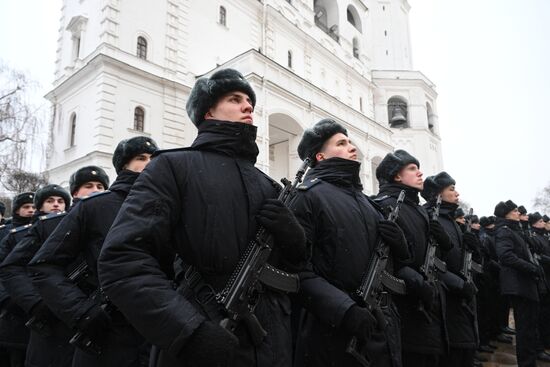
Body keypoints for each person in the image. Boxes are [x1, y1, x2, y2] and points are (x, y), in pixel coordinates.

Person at [97, 68, 306, 367]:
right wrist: (187, 330)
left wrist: (295, 242)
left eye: (250, 101)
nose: (248, 106)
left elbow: (294, 271)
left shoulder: (267, 184)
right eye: (235, 99)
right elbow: (122, 259)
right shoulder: (171, 167)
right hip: (202, 339)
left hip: (272, 346)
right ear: (208, 111)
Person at [289, 119, 410, 367]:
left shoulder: (369, 204)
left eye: (350, 142)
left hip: (381, 328)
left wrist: (401, 248)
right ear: (320, 156)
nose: (352, 147)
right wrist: (344, 310)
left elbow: (387, 265)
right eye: (341, 143)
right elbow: (296, 269)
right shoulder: (307, 197)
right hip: (332, 334)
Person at [28, 137, 157, 367]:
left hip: (157, 333)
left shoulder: (167, 205)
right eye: (141, 158)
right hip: (107, 333)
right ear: (124, 165)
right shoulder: (95, 207)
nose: (150, 163)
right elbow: (44, 266)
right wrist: (82, 311)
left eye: (153, 159)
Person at [0, 167, 109, 367]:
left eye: (100, 186)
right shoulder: (48, 225)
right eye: (88, 186)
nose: (95, 190)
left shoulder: (114, 222)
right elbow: (11, 268)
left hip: (98, 322)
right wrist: (37, 303)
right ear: (75, 192)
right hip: (54, 322)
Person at [375, 150, 452, 367]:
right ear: (397, 176)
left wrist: (446, 244)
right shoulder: (385, 205)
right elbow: (385, 261)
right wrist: (419, 284)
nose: (420, 174)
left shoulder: (418, 210)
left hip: (428, 302)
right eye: (412, 168)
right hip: (404, 306)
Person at [421, 172, 478, 367]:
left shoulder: (452, 221)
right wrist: (459, 284)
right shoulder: (429, 217)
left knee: (465, 350)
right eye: (451, 189)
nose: (457, 194)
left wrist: (473, 247)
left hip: (461, 295)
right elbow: (430, 261)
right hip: (446, 298)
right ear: (437, 193)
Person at [494, 200, 539, 367]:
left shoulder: (515, 230)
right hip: (519, 285)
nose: (518, 213)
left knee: (530, 328)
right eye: (514, 211)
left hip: (525, 284)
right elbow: (505, 256)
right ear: (506, 214)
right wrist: (531, 268)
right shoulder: (504, 231)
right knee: (525, 329)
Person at [0, 192, 36, 367]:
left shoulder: (44, 230)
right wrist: (8, 300)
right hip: (12, 312)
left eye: (33, 207)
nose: (30, 210)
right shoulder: (7, 235)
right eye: (26, 207)